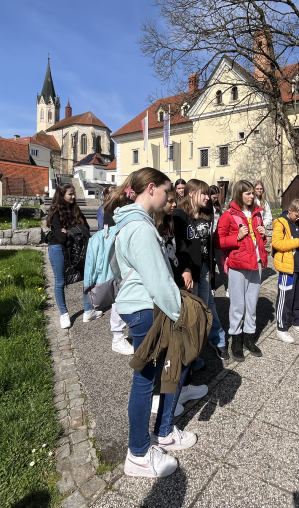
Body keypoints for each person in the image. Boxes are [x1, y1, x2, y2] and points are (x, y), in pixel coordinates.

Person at [111, 167, 197, 479]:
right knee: (146, 381)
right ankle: (137, 454)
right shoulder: (141, 228)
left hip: (140, 308)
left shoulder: (131, 223)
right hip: (146, 310)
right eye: (164, 191)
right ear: (150, 189)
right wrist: (181, 315)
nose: (167, 197)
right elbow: (159, 280)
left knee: (154, 377)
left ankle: (155, 438)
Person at [152, 193, 208, 416]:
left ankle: (182, 388)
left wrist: (186, 269)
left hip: (179, 286)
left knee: (182, 342)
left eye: (175, 199)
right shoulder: (151, 228)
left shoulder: (171, 223)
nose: (174, 204)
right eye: (169, 200)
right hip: (164, 295)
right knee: (165, 346)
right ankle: (158, 397)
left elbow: (181, 251)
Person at [173, 179, 230, 362]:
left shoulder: (207, 212)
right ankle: (191, 352)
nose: (207, 198)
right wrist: (185, 269)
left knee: (209, 306)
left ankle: (218, 340)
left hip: (204, 267)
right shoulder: (179, 215)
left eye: (208, 194)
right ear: (191, 193)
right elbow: (179, 246)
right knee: (191, 311)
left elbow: (209, 243)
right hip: (189, 270)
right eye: (203, 193)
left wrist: (211, 268)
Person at [216, 180, 268, 361]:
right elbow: (218, 241)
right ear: (239, 194)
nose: (252, 196)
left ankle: (249, 338)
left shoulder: (257, 214)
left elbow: (260, 241)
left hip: (256, 263)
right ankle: (236, 340)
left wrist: (263, 235)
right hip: (238, 265)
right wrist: (236, 237)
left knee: (252, 303)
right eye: (247, 193)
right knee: (238, 305)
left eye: (253, 193)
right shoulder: (228, 215)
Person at [47, 184, 99, 329]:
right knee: (60, 282)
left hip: (77, 249)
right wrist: (74, 229)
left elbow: (86, 228)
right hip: (58, 248)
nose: (74, 196)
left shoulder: (76, 210)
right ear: (62, 195)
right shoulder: (56, 212)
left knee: (86, 278)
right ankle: (64, 314)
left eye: (74, 193)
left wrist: (68, 231)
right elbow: (61, 238)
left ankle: (88, 311)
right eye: (70, 194)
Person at [272, 198, 299, 343]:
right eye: (296, 216)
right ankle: (281, 328)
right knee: (285, 298)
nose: (298, 218)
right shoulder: (280, 223)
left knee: (298, 297)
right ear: (290, 211)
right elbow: (276, 243)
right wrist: (296, 242)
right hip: (287, 267)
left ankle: (297, 323)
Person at [102, 184, 136, 356]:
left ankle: (127, 331)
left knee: (126, 294)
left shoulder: (117, 210)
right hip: (119, 260)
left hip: (123, 258)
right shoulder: (115, 211)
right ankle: (117, 337)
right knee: (120, 296)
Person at [209, 184, 227, 294]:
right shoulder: (206, 206)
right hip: (209, 236)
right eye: (214, 197)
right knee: (210, 263)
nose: (215, 200)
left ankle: (227, 286)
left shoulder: (218, 207)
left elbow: (222, 219)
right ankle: (212, 287)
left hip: (218, 235)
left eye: (217, 197)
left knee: (221, 262)